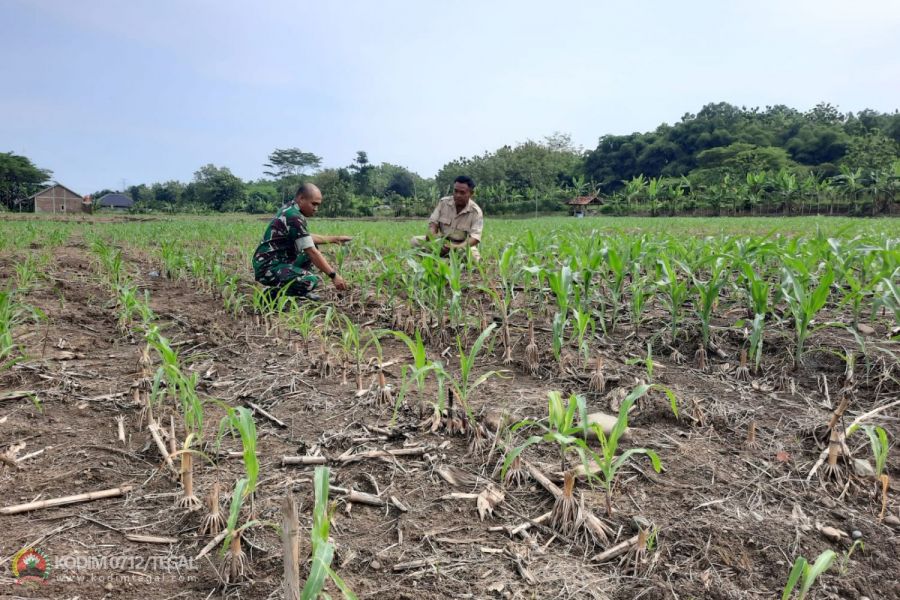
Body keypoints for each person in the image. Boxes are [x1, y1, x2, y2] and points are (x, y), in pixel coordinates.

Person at [252, 183, 351, 300]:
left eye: (318, 205)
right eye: (313, 204)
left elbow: (306, 238)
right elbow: (311, 251)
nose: (316, 209)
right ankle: (270, 295)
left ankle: (299, 291)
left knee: (311, 248)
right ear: (301, 198)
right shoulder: (293, 216)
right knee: (310, 281)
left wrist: (335, 239)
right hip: (268, 267)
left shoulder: (290, 208)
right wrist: (334, 276)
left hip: (276, 261)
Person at [411, 175, 483, 260]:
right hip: (442, 242)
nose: (458, 195)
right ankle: (444, 260)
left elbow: (475, 238)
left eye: (462, 192)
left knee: (474, 258)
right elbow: (433, 224)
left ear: (471, 193)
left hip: (461, 246)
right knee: (415, 241)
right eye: (455, 191)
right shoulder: (443, 203)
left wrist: (455, 247)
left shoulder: (476, 212)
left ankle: (442, 261)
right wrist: (432, 236)